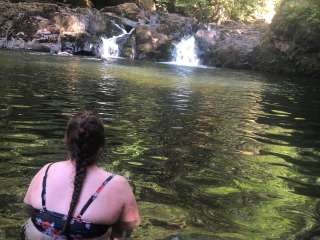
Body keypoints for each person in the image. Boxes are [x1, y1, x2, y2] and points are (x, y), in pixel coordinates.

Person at [23, 111, 140, 240]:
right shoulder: (118, 183)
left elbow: (28, 207)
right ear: (101, 146)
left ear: (66, 141)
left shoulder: (47, 169)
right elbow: (130, 223)